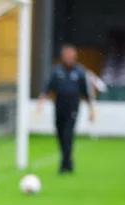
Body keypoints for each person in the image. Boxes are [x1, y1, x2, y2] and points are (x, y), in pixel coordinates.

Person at [37, 44, 95, 174]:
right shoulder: (56, 71)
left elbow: (86, 93)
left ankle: (65, 164)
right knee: (60, 133)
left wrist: (92, 111)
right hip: (59, 105)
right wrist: (40, 103)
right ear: (63, 56)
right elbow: (47, 88)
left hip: (73, 106)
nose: (69, 57)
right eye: (66, 55)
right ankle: (68, 161)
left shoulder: (80, 71)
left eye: (71, 55)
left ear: (75, 56)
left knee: (68, 134)